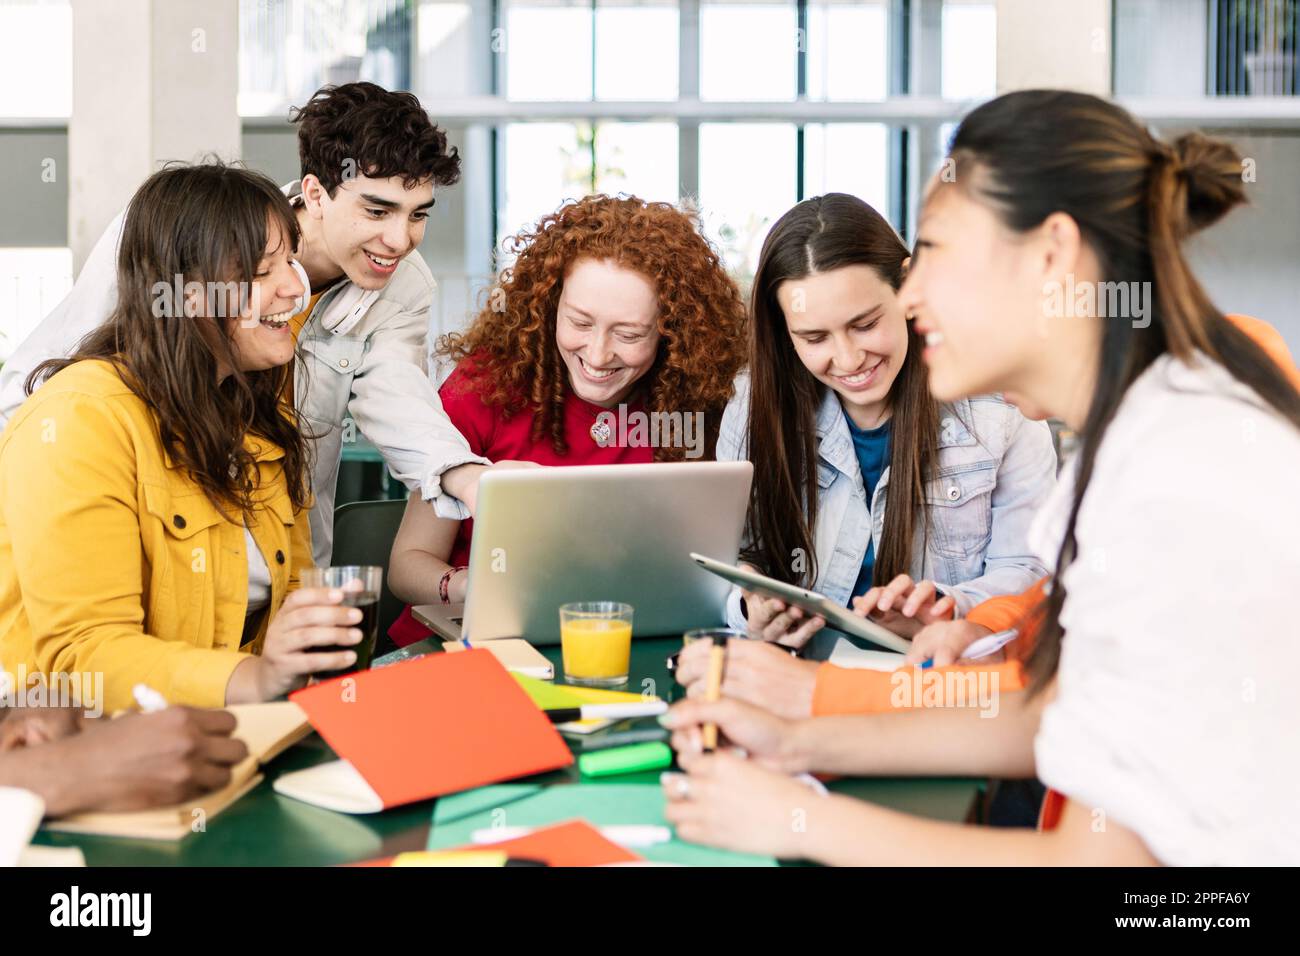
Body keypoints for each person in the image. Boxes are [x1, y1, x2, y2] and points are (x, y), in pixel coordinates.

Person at [660, 90, 1300, 865]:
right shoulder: (1145, 433)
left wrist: (799, 821)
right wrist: (801, 738)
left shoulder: (1178, 477)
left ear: (1053, 254)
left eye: (937, 251)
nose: (913, 293)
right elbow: (1053, 719)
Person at [673, 312, 1298, 720]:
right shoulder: (1121, 436)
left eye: (937, 263)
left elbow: (1047, 721)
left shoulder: (1183, 438)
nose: (915, 301)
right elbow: (1041, 613)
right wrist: (972, 625)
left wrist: (814, 704)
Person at [0, 82, 507, 565]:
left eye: (419, 215)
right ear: (314, 193)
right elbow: (41, 389)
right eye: (377, 211)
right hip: (163, 550)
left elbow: (398, 399)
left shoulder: (405, 285)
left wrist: (463, 475)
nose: (400, 240)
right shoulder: (177, 230)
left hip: (282, 561)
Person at [0, 162, 368, 713]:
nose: (296, 287)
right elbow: (86, 658)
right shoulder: (80, 420)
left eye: (290, 259)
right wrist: (257, 678)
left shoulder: (261, 419)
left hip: (227, 732)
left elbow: (288, 605)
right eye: (263, 271)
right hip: (89, 748)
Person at [386, 195, 749, 644]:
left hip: (632, 642)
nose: (597, 355)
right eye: (579, 323)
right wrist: (466, 587)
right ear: (549, 307)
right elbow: (407, 564)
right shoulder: (483, 389)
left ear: (670, 331)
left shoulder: (700, 403)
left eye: (629, 334)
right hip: (470, 646)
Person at [715, 193, 1056, 652]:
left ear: (907, 289)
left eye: (865, 324)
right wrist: (748, 604)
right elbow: (727, 557)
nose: (849, 358)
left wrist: (944, 607)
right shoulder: (753, 405)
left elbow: (1031, 572)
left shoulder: (1001, 404)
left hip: (936, 686)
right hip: (794, 675)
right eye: (814, 337)